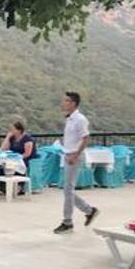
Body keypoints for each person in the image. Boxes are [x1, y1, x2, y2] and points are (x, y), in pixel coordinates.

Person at [54, 91, 98, 234]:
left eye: (66, 101)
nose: (63, 103)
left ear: (73, 103)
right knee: (68, 190)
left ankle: (68, 222)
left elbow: (85, 138)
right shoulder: (70, 119)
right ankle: (89, 210)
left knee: (68, 189)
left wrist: (75, 155)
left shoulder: (80, 119)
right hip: (68, 155)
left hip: (74, 156)